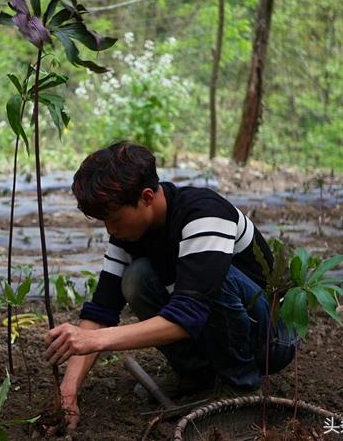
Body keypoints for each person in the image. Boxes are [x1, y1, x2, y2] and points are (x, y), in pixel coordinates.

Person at [44, 141, 296, 430]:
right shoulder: (129, 234)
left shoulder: (204, 214)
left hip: (270, 340)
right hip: (215, 327)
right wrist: (68, 393)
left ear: (147, 196)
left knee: (214, 276)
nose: (110, 230)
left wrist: (96, 341)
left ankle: (241, 387)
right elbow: (100, 313)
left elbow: (188, 314)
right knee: (136, 277)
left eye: (113, 219)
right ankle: (197, 375)